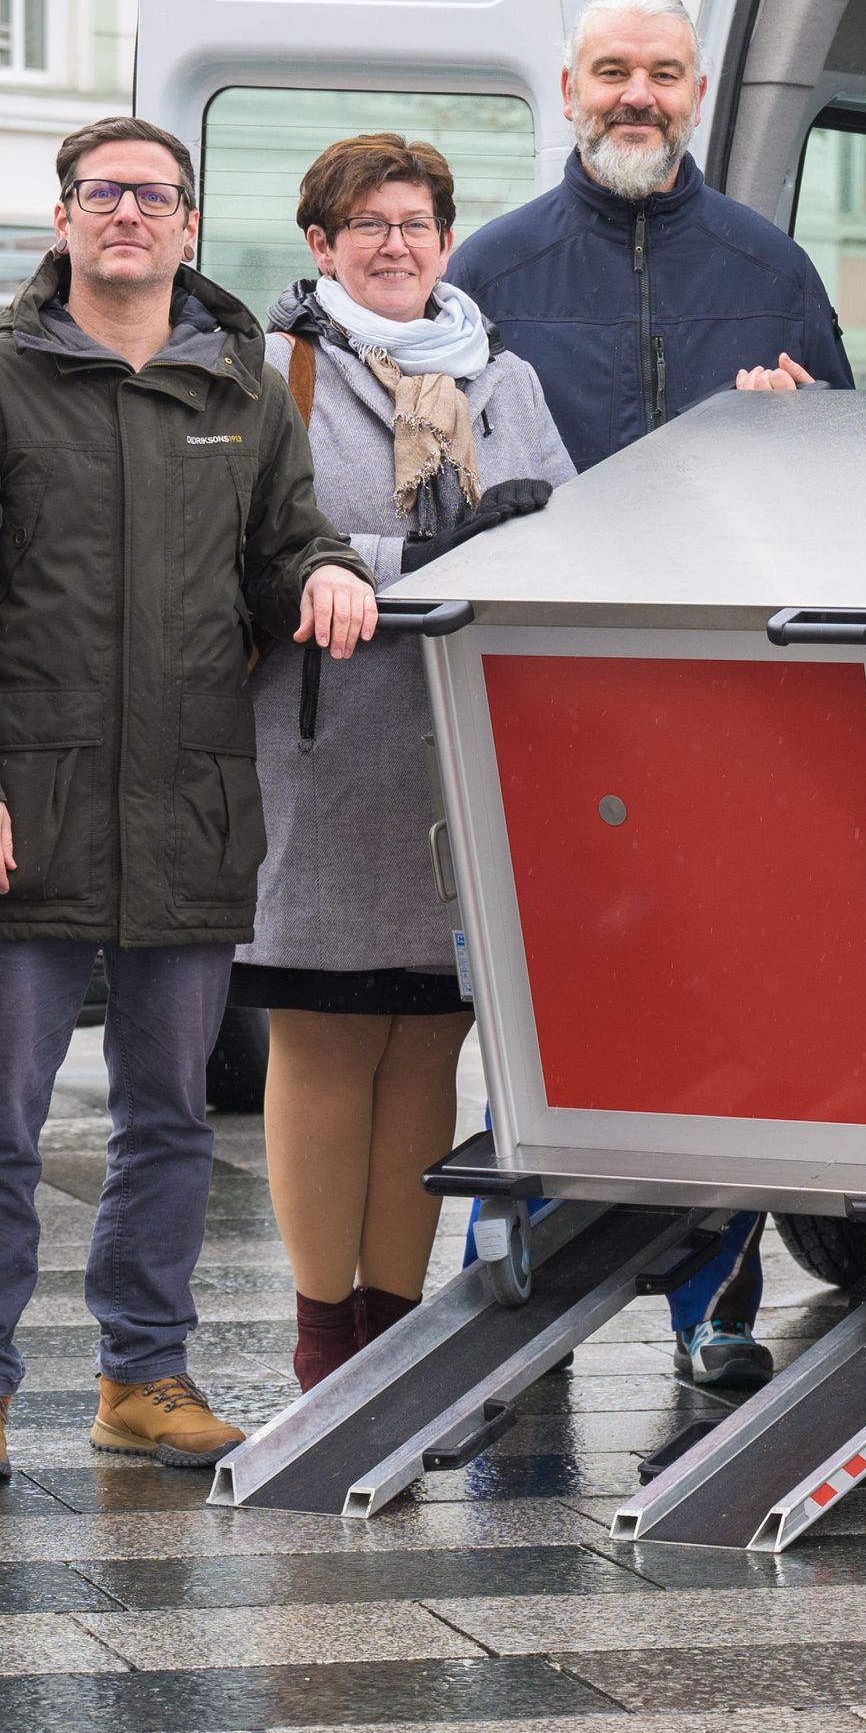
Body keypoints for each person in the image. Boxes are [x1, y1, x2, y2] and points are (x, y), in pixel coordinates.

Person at [0, 116, 374, 1479]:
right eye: (101, 193)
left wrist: (327, 573)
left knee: (168, 1113)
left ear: (185, 225)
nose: (127, 214)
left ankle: (141, 1373)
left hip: (188, 810)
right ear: (63, 219)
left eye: (153, 197)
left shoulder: (239, 392)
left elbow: (291, 542)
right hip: (25, 816)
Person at [438, 0, 850, 1386]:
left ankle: (714, 1299)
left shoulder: (769, 264)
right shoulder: (486, 270)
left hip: (733, 697)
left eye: (662, 72)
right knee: (550, 997)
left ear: (694, 90)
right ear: (568, 90)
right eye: (612, 70)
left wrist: (812, 435)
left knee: (727, 998)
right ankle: (531, 1279)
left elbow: (859, 476)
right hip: (547, 700)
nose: (637, 95)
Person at [244, 134, 575, 1388]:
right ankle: (324, 1339)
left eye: (417, 222)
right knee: (326, 1043)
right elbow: (255, 546)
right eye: (367, 224)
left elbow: (564, 521)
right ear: (320, 247)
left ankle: (395, 1329)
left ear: (446, 240)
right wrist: (414, 563)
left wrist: (528, 547)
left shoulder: (506, 377)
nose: (396, 243)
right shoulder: (273, 373)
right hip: (324, 757)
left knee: (429, 1042)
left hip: (468, 760)